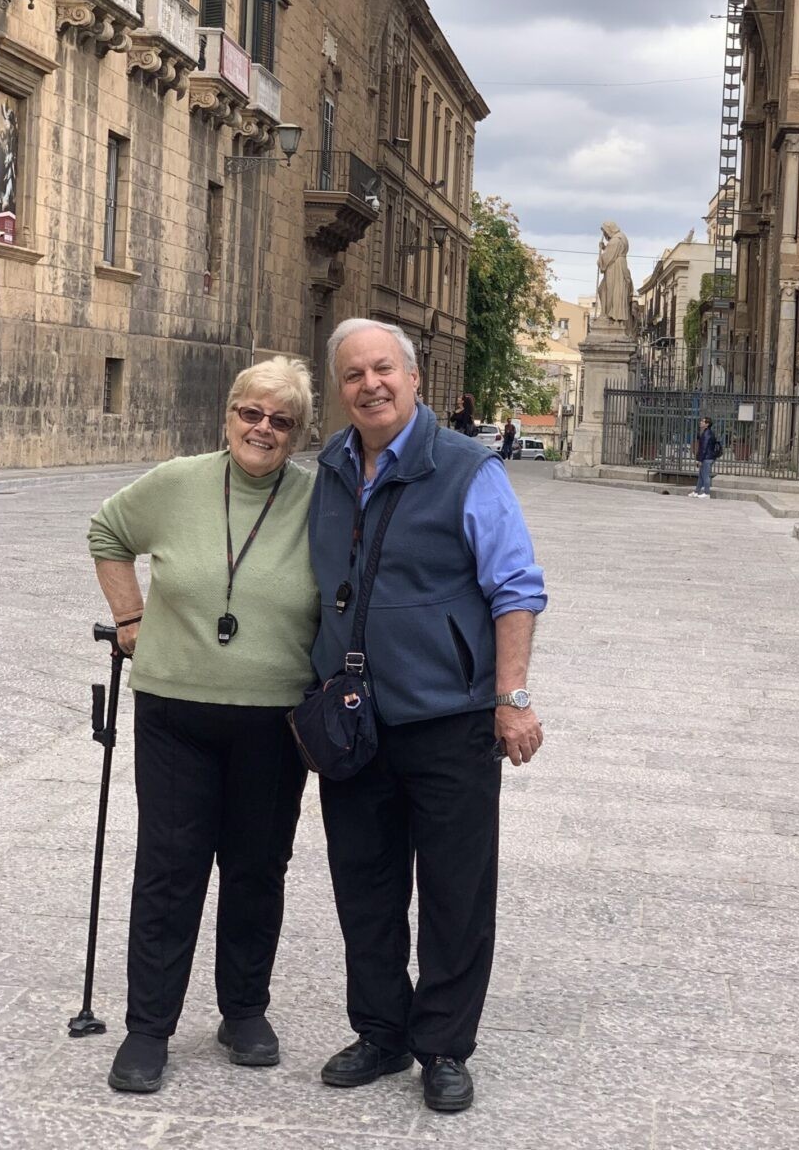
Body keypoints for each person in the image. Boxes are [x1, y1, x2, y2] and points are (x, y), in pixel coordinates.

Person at [310, 318, 546, 1114]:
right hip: (354, 719)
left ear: (413, 380)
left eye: (384, 369)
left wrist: (510, 698)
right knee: (364, 885)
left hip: (449, 717)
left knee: (454, 889)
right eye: (353, 375)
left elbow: (516, 587)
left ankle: (442, 1045)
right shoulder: (332, 467)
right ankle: (380, 1030)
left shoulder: (467, 467)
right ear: (340, 390)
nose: (370, 384)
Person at [88, 358, 320, 1095]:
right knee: (170, 867)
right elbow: (107, 531)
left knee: (257, 868)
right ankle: (148, 1028)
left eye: (281, 421)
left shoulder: (319, 500)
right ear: (228, 416)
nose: (263, 429)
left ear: (298, 434)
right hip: (175, 713)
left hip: (275, 717)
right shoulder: (179, 481)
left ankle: (243, 1011)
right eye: (251, 413)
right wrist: (130, 617)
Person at [692, 416, 722, 498]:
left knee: (705, 476)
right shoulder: (706, 432)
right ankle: (696, 492)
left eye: (703, 421)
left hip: (707, 458)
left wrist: (700, 460)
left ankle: (707, 493)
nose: (701, 422)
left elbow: (704, 448)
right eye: (701, 421)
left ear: (707, 424)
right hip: (706, 457)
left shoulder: (707, 434)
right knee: (701, 476)